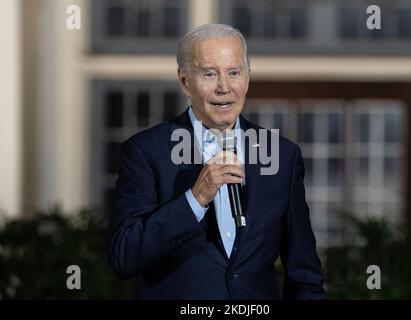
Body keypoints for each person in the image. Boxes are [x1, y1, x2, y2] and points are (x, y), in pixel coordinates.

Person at [108, 23, 325, 300]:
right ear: (185, 81)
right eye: (210, 74)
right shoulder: (145, 151)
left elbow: (304, 276)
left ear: (247, 78)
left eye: (234, 73)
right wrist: (196, 198)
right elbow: (123, 256)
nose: (224, 87)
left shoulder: (282, 154)